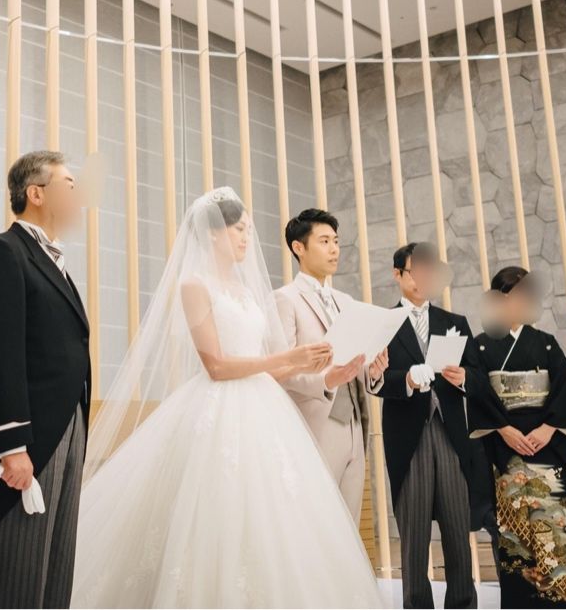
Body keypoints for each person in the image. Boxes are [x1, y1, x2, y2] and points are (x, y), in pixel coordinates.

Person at [71, 187, 383, 607]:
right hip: (218, 407)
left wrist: (322, 371)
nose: (246, 239)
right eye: (239, 230)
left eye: (248, 230)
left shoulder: (245, 289)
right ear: (213, 232)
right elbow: (216, 365)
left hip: (265, 407)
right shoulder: (194, 285)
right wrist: (287, 357)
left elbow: (267, 366)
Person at [0, 151, 91, 608]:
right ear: (36, 194)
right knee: (20, 572)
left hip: (67, 424)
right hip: (30, 435)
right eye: (69, 185)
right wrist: (10, 445)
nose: (79, 196)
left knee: (56, 565)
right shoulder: (3, 252)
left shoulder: (53, 259)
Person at [464, 266, 566, 609]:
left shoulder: (546, 343)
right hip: (505, 449)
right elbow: (478, 392)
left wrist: (548, 428)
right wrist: (504, 429)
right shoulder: (480, 345)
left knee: (553, 531)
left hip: (545, 446)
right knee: (514, 536)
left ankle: (558, 603)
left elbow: (564, 388)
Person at [370, 241, 476, 609]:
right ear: (398, 274)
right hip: (408, 439)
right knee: (413, 537)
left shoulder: (455, 322)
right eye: (417, 271)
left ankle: (463, 603)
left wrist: (464, 378)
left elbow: (478, 377)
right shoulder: (382, 324)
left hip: (450, 436)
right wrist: (407, 380)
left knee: (458, 532)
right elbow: (375, 380)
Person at [273, 208, 388, 519]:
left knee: (349, 523)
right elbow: (280, 371)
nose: (334, 249)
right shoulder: (285, 299)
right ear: (299, 247)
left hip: (355, 424)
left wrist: (372, 371)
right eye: (324, 241)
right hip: (315, 425)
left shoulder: (346, 301)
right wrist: (326, 380)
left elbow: (354, 361)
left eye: (336, 241)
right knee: (315, 520)